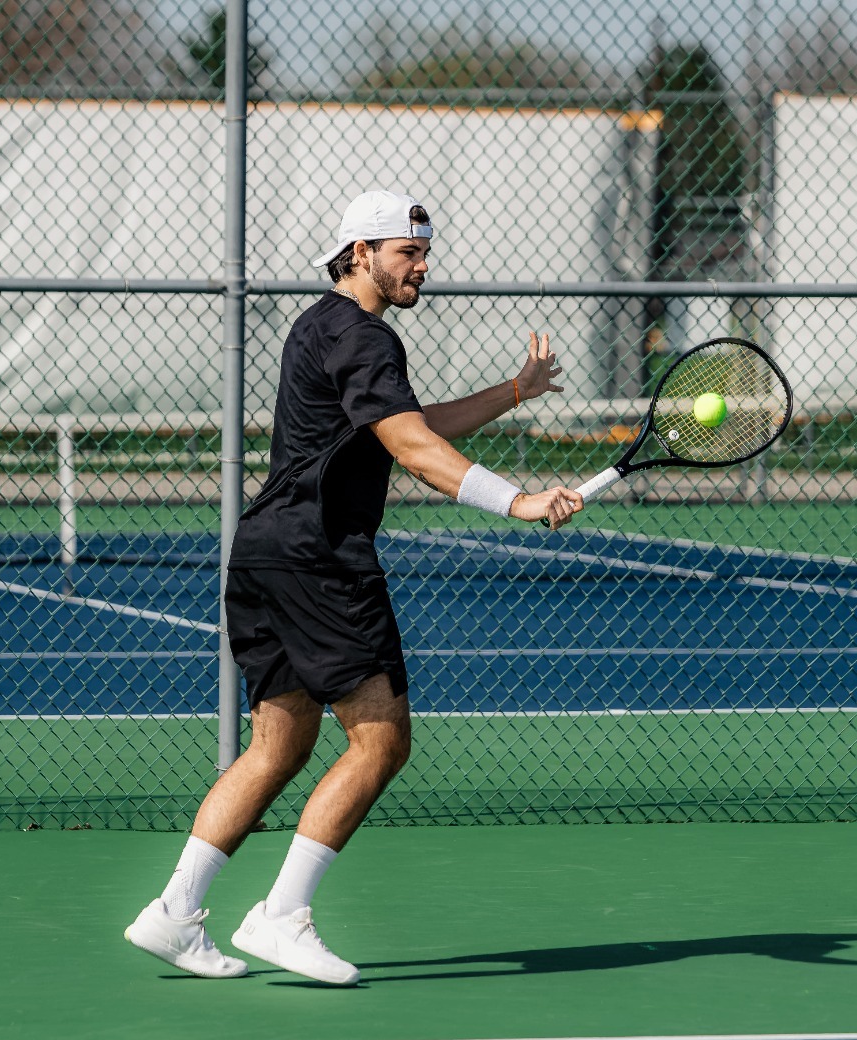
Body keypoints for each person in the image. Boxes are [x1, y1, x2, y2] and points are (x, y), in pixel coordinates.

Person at [124, 190, 583, 986]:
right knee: (382, 740)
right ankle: (280, 916)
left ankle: (172, 912)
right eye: (407, 252)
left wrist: (514, 391)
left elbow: (407, 421)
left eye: (424, 251)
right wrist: (519, 499)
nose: (423, 265)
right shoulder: (365, 337)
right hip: (320, 561)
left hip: (264, 552)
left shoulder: (320, 326)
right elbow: (412, 446)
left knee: (279, 744)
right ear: (360, 252)